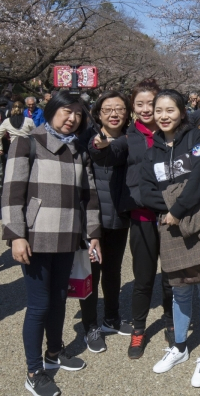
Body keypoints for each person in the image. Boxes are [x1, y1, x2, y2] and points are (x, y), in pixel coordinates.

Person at [2, 90, 102, 396]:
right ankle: (34, 371)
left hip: (68, 237)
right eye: (66, 112)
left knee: (59, 299)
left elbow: (90, 196)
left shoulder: (79, 150)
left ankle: (54, 353)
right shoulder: (28, 142)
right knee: (39, 306)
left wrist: (94, 232)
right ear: (52, 110)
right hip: (36, 237)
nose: (72, 118)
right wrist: (16, 236)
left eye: (78, 114)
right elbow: (10, 193)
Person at [140, 90, 200, 388]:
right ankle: (180, 348)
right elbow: (146, 190)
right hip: (170, 227)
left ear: (182, 112)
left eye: (170, 109)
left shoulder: (196, 139)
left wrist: (178, 209)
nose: (164, 115)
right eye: (159, 110)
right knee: (179, 291)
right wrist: (170, 211)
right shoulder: (151, 151)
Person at [89, 78, 174, 359]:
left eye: (151, 103)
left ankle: (172, 322)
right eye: (140, 104)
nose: (147, 109)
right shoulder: (129, 137)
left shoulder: (173, 133)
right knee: (143, 276)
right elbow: (110, 154)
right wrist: (99, 147)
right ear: (133, 108)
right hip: (142, 216)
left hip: (172, 215)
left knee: (171, 275)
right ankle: (139, 329)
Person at [79, 91, 133, 353]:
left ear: (127, 112)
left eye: (120, 109)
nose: (114, 114)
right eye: (108, 109)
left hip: (119, 217)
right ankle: (90, 326)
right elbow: (97, 156)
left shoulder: (131, 139)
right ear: (98, 113)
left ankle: (111, 317)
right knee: (91, 273)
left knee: (113, 271)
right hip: (92, 217)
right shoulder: (88, 139)